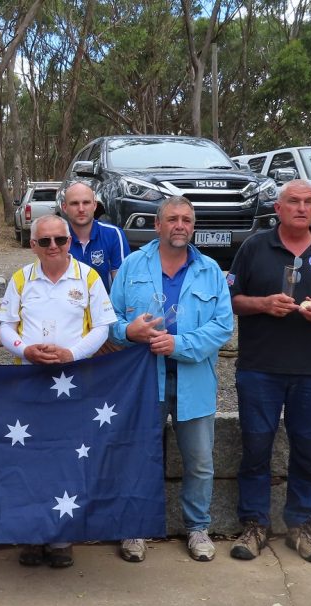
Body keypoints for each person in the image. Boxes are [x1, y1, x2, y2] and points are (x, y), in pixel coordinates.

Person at [227, 179, 311, 564]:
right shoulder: (254, 246)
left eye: (308, 202)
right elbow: (231, 300)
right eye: (293, 202)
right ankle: (254, 526)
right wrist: (263, 304)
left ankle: (300, 526)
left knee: (308, 451)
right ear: (278, 208)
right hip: (260, 369)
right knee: (255, 449)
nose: (301, 208)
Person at [109, 197, 233, 563]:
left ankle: (198, 528)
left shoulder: (210, 270)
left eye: (187, 220)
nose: (180, 225)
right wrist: (128, 331)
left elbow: (223, 326)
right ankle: (133, 528)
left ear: (193, 227)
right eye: (173, 219)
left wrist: (178, 344)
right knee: (139, 456)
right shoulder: (132, 266)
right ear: (157, 225)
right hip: (144, 383)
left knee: (199, 461)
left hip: (194, 381)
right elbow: (110, 320)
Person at [0, 214, 117, 568]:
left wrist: (73, 354)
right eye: (44, 241)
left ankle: (63, 539)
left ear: (69, 241)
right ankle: (32, 537)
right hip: (31, 382)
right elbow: (4, 326)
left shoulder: (89, 277)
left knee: (68, 459)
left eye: (60, 240)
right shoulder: (21, 279)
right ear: (33, 244)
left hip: (75, 382)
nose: (53, 247)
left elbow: (103, 328)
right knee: (30, 460)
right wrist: (23, 349)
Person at [62, 181, 130, 291]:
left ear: (94, 205)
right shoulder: (57, 239)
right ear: (64, 207)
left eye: (86, 203)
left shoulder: (113, 234)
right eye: (74, 203)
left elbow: (122, 285)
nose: (81, 209)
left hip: (104, 305)